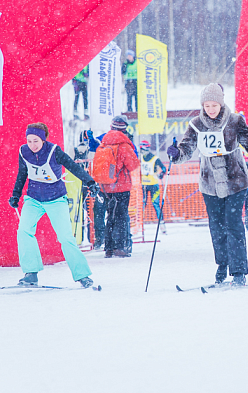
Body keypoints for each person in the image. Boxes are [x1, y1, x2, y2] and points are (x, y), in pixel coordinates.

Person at [166, 83, 248, 286]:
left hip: (236, 180)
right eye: (207, 106)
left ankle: (238, 271)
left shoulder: (235, 120)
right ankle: (222, 264)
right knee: (217, 227)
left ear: (221, 104)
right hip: (210, 183)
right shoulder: (196, 124)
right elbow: (186, 148)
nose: (211, 109)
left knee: (233, 224)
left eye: (214, 105)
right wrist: (177, 153)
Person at [9, 122, 101, 287]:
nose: (32, 145)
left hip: (56, 198)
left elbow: (73, 167)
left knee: (65, 237)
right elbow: (22, 174)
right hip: (33, 199)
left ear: (43, 140)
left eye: (36, 141)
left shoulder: (54, 151)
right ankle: (31, 273)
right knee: (23, 231)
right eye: (29, 141)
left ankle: (83, 276)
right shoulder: (23, 152)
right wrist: (16, 195)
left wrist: (90, 182)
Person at [93, 115, 140, 257]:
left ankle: (108, 248)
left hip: (106, 186)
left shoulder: (103, 143)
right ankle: (120, 247)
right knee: (121, 217)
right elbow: (134, 165)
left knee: (110, 216)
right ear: (124, 128)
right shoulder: (124, 145)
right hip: (121, 186)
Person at [140, 140, 167, 231]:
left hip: (154, 185)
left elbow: (163, 168)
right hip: (143, 185)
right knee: (142, 204)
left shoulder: (155, 158)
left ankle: (162, 225)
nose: (142, 152)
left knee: (155, 204)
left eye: (142, 150)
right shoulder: (140, 158)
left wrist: (161, 174)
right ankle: (140, 225)